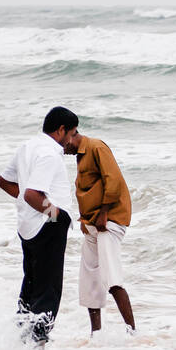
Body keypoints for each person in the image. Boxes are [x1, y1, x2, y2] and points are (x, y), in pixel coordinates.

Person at [0, 107, 78, 346]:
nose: (72, 141)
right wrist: (57, 215)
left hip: (28, 225)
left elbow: (4, 182)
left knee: (31, 286)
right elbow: (33, 194)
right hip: (47, 225)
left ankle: (22, 343)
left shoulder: (28, 146)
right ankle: (37, 349)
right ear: (61, 130)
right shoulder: (49, 154)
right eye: (72, 134)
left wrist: (28, 205)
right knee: (48, 291)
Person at [63, 129, 136, 334]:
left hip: (109, 220)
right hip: (93, 223)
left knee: (111, 278)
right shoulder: (80, 155)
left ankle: (133, 332)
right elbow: (88, 190)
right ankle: (96, 335)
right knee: (89, 281)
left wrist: (104, 213)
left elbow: (113, 181)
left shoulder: (96, 147)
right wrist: (85, 220)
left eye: (62, 142)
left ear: (68, 133)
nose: (61, 148)